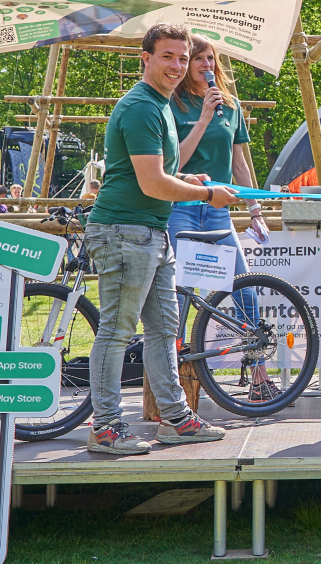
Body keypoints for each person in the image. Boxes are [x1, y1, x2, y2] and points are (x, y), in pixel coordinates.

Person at [84, 23, 232, 456]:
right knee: (114, 332)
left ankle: (177, 420)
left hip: (150, 232)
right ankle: (106, 427)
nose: (177, 65)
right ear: (145, 58)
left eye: (182, 58)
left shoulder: (161, 105)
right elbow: (151, 184)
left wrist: (184, 177)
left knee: (166, 330)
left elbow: (159, 169)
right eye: (167, 56)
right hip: (124, 231)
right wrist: (206, 193)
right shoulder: (142, 108)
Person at [167, 37, 268, 332]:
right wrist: (203, 117)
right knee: (181, 294)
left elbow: (239, 164)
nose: (206, 65)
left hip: (217, 212)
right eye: (198, 58)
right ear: (187, 64)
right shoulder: (172, 103)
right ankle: (176, 368)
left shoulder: (231, 105)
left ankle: (257, 371)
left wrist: (255, 211)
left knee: (245, 288)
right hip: (180, 209)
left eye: (210, 58)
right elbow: (173, 163)